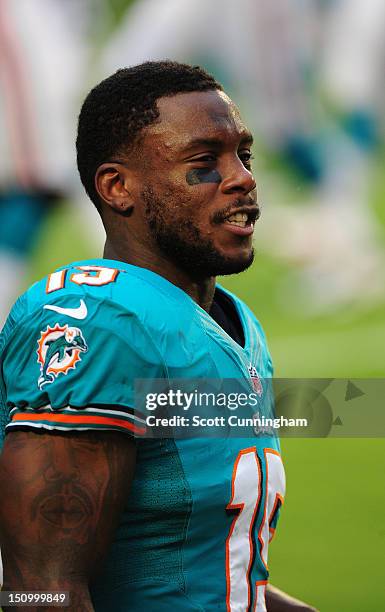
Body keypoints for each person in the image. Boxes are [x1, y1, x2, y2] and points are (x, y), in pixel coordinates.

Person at [0, 61, 317, 611]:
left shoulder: (230, 319)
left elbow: (216, 578)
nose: (242, 177)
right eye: (204, 163)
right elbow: (41, 592)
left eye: (243, 154)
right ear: (118, 187)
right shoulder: (99, 321)